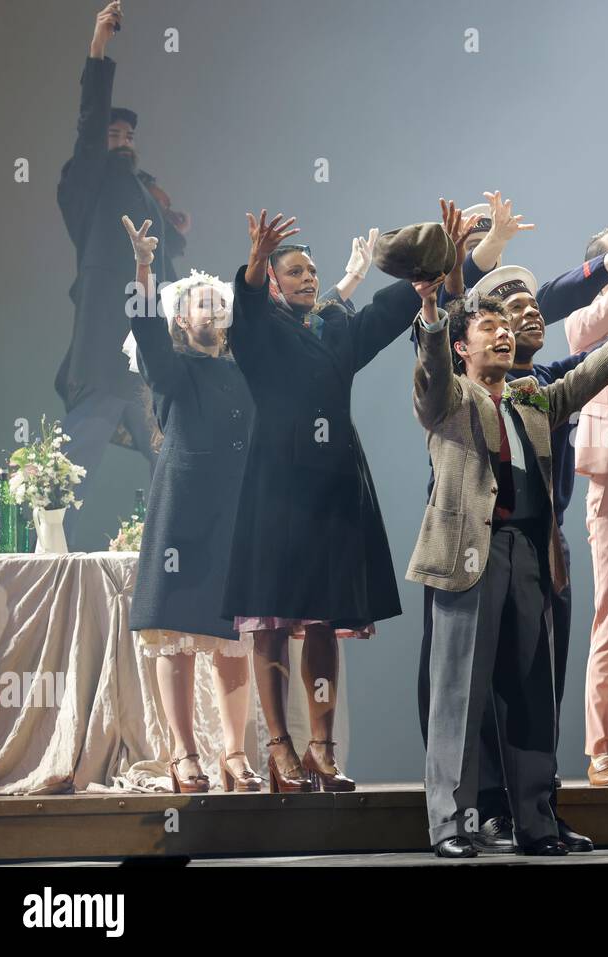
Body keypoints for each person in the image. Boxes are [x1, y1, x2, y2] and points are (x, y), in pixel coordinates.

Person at [408, 196, 608, 857]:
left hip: (530, 554)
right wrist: (437, 308)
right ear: (464, 346)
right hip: (470, 554)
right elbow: (431, 369)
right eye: (487, 328)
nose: (502, 334)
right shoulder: (451, 399)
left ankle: (536, 820)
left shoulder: (535, 397)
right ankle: (454, 822)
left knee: (530, 693)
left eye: (506, 330)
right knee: (460, 695)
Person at [222, 210, 433, 793]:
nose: (308, 278)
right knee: (270, 620)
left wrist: (430, 275)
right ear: (273, 282)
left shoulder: (335, 333)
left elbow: (388, 315)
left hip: (335, 488)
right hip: (277, 491)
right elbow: (245, 312)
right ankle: (278, 747)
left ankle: (322, 747)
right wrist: (255, 262)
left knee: (321, 622)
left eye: (313, 271)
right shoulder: (260, 331)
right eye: (295, 271)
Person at [121, 216, 260, 793]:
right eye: (201, 305)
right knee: (175, 634)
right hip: (182, 512)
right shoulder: (173, 372)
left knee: (232, 638)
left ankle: (234, 753)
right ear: (183, 318)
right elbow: (147, 332)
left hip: (236, 514)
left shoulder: (248, 371)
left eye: (218, 304)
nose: (212, 311)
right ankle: (182, 752)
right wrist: (145, 269)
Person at [57, 2, 187, 545]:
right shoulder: (90, 184)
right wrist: (98, 48)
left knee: (170, 459)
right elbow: (90, 124)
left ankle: (172, 551)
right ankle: (43, 547)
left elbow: (169, 268)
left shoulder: (143, 193)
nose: (122, 138)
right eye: (115, 135)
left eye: (128, 136)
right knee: (72, 467)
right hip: (105, 351)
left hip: (152, 353)